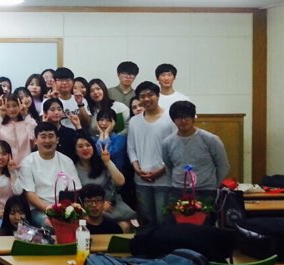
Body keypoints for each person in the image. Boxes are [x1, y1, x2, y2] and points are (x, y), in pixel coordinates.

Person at [161, 100, 230, 204]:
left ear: (193, 118)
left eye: (187, 117)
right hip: (178, 191)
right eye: (179, 118)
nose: (183, 121)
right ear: (173, 120)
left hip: (206, 191)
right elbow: (168, 166)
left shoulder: (211, 140)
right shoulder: (167, 143)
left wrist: (213, 185)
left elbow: (223, 165)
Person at [126, 81, 176, 225]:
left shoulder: (170, 119)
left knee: (163, 221)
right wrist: (137, 169)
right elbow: (131, 148)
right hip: (141, 180)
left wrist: (160, 171)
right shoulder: (134, 121)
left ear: (158, 96)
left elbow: (174, 150)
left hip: (164, 179)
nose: (146, 99)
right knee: (146, 222)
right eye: (142, 96)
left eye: (150, 95)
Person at [17, 122, 81, 227]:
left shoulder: (66, 161)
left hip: (64, 209)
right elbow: (29, 194)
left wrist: (65, 209)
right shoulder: (28, 162)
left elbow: (75, 189)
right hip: (38, 210)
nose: (47, 141)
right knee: (52, 224)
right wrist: (50, 210)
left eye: (51, 136)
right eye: (43, 137)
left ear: (57, 140)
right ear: (36, 141)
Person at [73, 134, 135, 232]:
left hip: (109, 205)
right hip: (87, 208)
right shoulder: (73, 168)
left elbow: (120, 182)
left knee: (124, 225)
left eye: (88, 145)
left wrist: (108, 162)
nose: (85, 148)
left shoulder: (102, 163)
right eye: (80, 146)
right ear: (75, 150)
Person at [0, 92, 36, 163]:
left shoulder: (26, 123)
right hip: (7, 165)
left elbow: (33, 136)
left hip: (27, 164)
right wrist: (0, 117)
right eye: (8, 106)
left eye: (14, 105)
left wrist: (26, 115)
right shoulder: (0, 125)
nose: (11, 109)